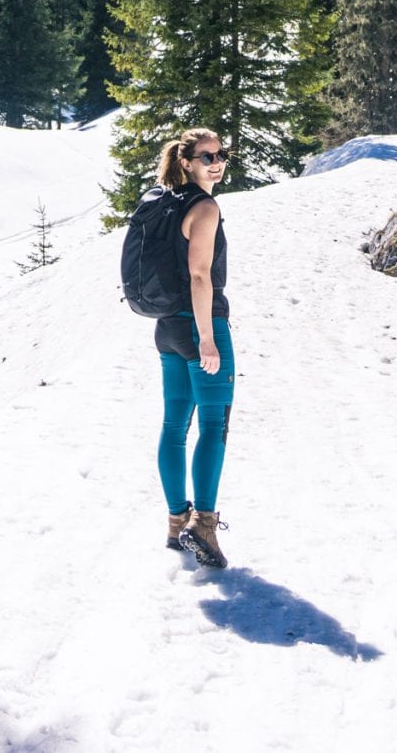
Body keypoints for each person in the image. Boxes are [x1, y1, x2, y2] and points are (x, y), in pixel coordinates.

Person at [152, 127, 233, 568]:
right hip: (200, 324)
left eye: (221, 154)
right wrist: (207, 338)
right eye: (207, 157)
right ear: (186, 162)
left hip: (166, 328)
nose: (216, 162)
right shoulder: (204, 207)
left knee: (174, 426)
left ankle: (174, 520)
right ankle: (202, 524)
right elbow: (200, 276)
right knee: (214, 425)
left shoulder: (165, 201)